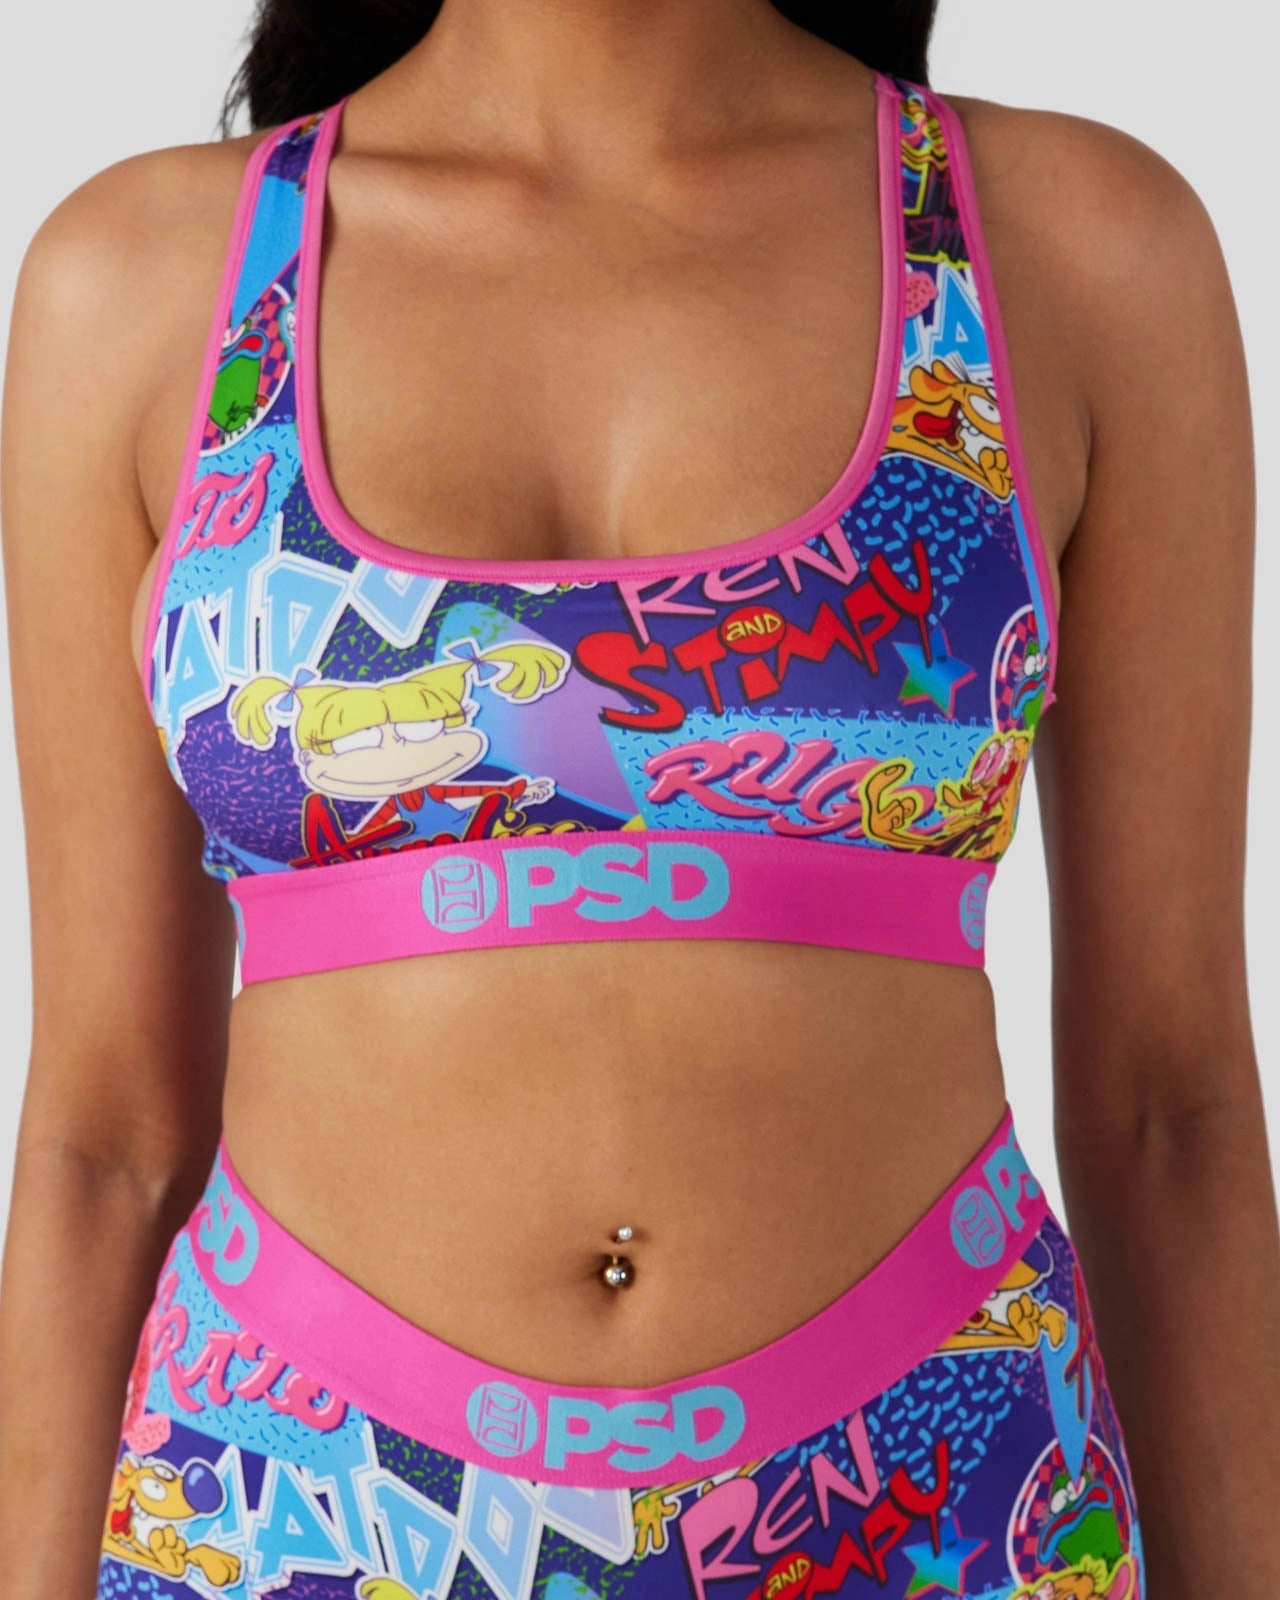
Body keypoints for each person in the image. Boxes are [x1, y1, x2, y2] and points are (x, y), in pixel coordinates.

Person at [0, 3, 1275, 1596]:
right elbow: (108, 1140)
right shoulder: (141, 284)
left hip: (941, 1500)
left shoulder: (1075, 251)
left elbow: (1167, 1111)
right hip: (293, 1513)